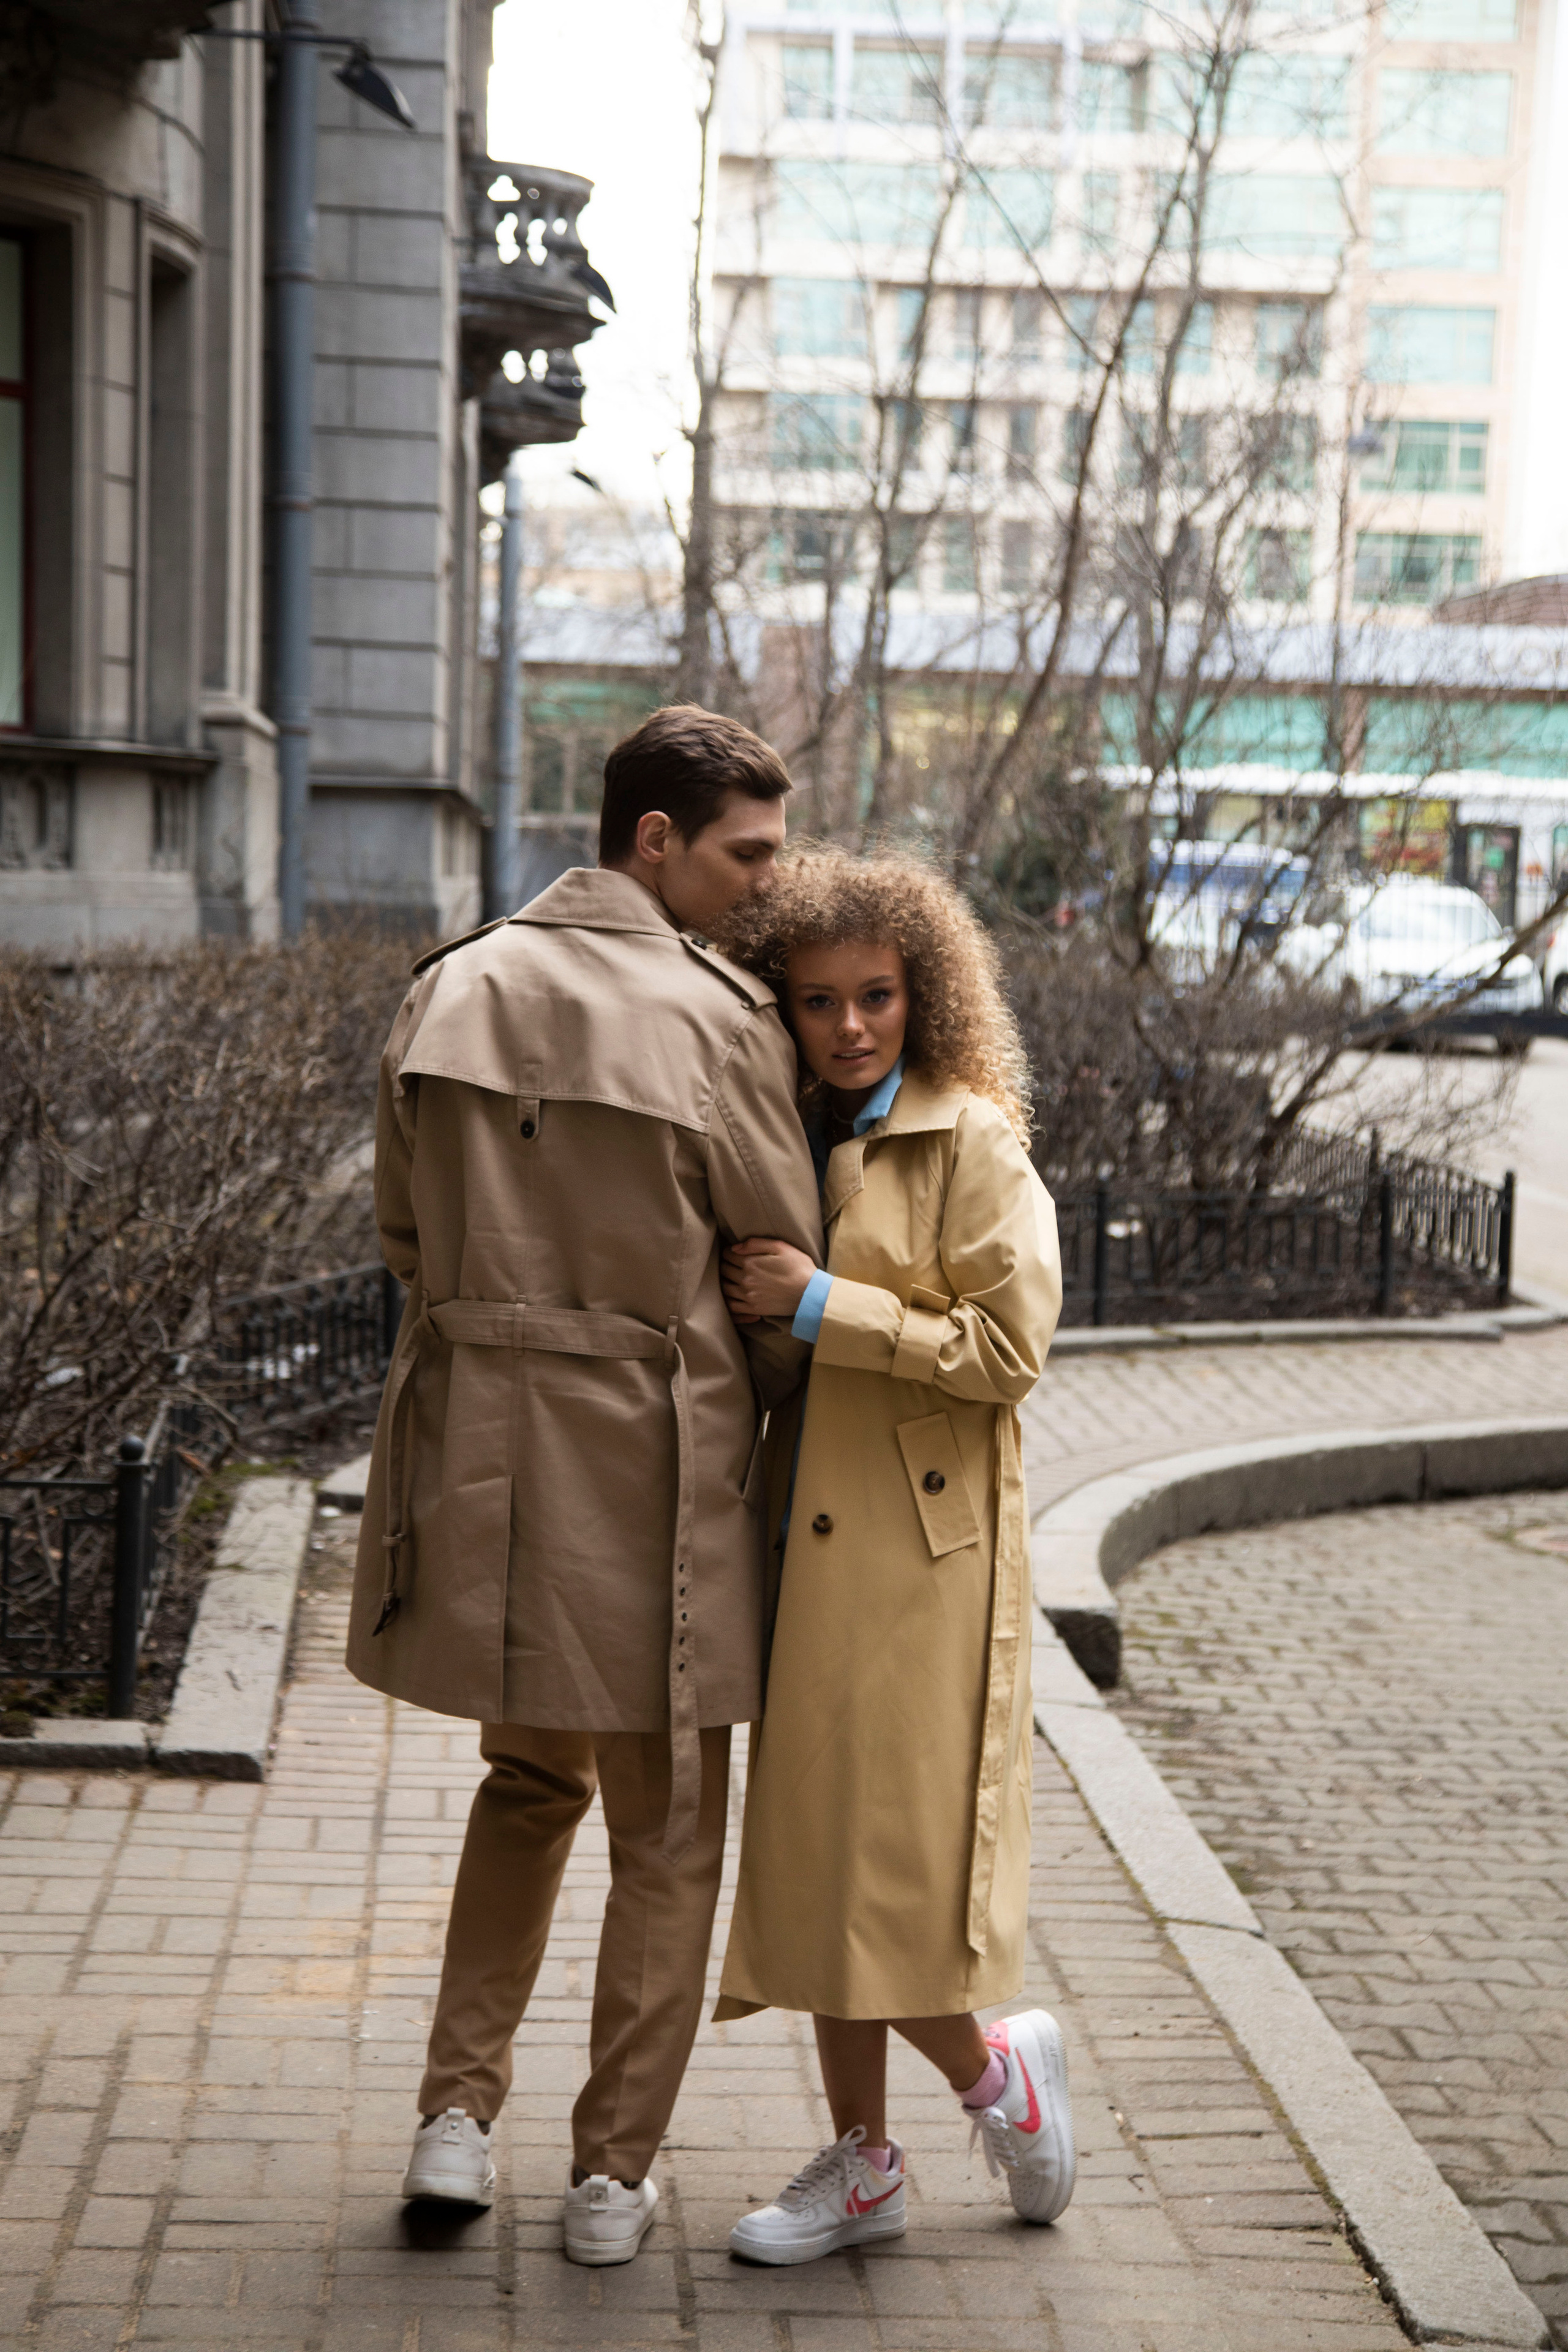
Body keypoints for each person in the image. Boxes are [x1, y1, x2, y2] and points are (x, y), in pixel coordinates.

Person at [345, 706, 823, 2266]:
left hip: (487, 1467)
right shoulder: (722, 1022)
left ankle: (453, 2121)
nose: (768, 881)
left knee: (522, 1787)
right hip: (654, 1471)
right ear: (654, 841)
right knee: (668, 1824)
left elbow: (407, 1242)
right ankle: (610, 2173)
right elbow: (770, 1271)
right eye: (746, 852)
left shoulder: (452, 984)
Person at [710, 847, 1071, 2265]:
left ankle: (998, 2081)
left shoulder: (971, 1139)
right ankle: (866, 2167)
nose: (850, 1026)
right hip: (806, 1539)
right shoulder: (786, 1131)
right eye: (815, 1001)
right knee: (813, 1864)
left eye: (875, 995)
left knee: (887, 1881)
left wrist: (821, 1306)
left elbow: (1008, 1353)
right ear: (779, 1010)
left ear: (926, 993)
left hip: (923, 1563)